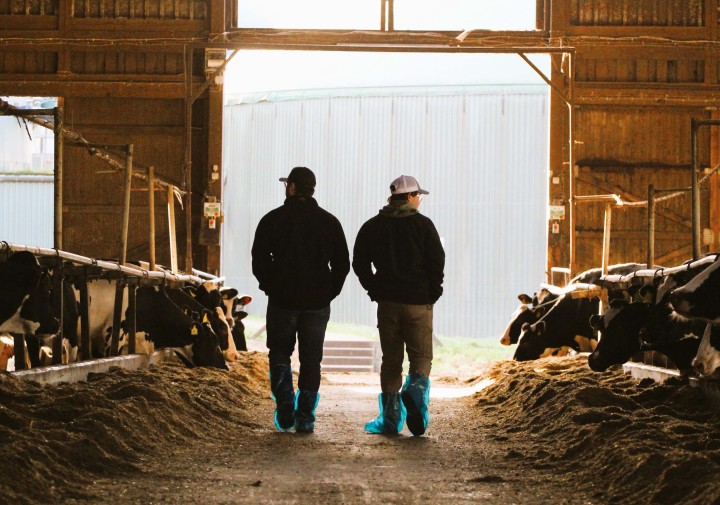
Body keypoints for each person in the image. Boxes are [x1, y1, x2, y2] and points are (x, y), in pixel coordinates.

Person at [252, 166, 350, 433]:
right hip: (317, 303)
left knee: (280, 352)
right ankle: (305, 416)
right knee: (311, 359)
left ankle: (285, 402)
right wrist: (329, 291)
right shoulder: (330, 222)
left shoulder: (272, 220)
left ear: (292, 187)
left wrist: (270, 285)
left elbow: (259, 260)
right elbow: (342, 264)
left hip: (282, 300)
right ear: (312, 188)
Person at [353, 175, 445, 436]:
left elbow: (359, 263)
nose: (420, 201)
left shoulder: (373, 226)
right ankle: (415, 392)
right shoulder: (423, 225)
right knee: (421, 357)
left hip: (388, 303)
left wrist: (374, 289)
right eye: (419, 196)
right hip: (418, 303)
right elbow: (437, 260)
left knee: (391, 360)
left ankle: (391, 419)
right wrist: (432, 292)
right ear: (410, 197)